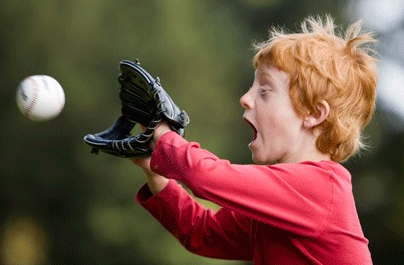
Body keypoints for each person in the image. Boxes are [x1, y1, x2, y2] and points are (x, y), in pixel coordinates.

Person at [131, 15, 377, 264]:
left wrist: (164, 136)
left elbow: (204, 177)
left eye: (264, 90)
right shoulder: (284, 203)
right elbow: (203, 233)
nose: (245, 98)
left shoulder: (319, 189)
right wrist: (156, 171)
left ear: (314, 113)